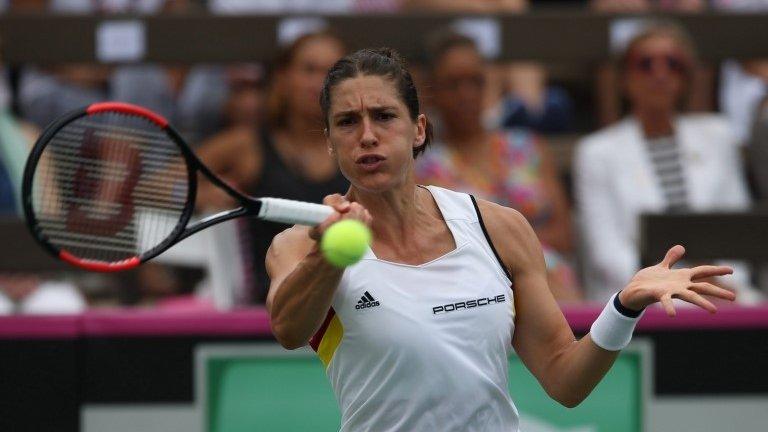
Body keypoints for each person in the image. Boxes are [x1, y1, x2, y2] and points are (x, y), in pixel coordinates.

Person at [265, 47, 736, 432]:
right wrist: (332, 253)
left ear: (419, 130)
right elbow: (288, 329)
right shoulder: (300, 246)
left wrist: (624, 306)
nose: (367, 135)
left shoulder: (496, 227)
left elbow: (564, 380)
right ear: (329, 141)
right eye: (347, 122)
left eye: (385, 116)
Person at [574, 22, 752, 302]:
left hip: (720, 288)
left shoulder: (718, 135)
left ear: (685, 77)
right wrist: (667, 284)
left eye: (672, 64)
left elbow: (736, 229)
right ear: (624, 77)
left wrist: (723, 279)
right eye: (645, 64)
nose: (660, 73)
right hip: (639, 297)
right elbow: (606, 252)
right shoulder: (596, 152)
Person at [416, 30, 580, 302]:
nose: (466, 93)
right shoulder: (422, 166)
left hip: (549, 277)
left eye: (475, 82)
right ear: (432, 91)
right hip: (470, 288)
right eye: (453, 84)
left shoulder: (528, 146)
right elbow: (435, 246)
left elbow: (564, 236)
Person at [196, 31, 348, 303]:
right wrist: (202, 196)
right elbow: (164, 182)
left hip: (353, 300)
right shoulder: (246, 146)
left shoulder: (363, 146)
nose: (320, 82)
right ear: (283, 77)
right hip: (271, 306)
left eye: (332, 71)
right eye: (309, 70)